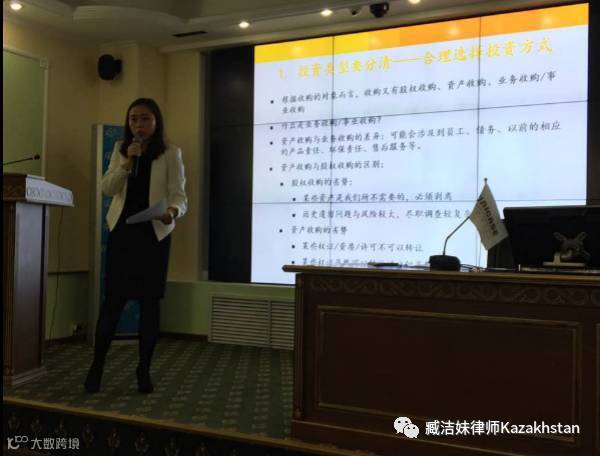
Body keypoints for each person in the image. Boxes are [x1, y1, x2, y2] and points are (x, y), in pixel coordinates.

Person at [84, 98, 187, 394]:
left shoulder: (171, 153)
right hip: (124, 235)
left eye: (145, 119)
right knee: (113, 302)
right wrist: (127, 163)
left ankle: (144, 369)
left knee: (150, 303)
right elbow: (107, 188)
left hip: (154, 235)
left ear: (156, 122)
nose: (138, 125)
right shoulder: (121, 149)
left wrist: (173, 212)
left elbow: (179, 196)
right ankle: (97, 366)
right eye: (133, 120)